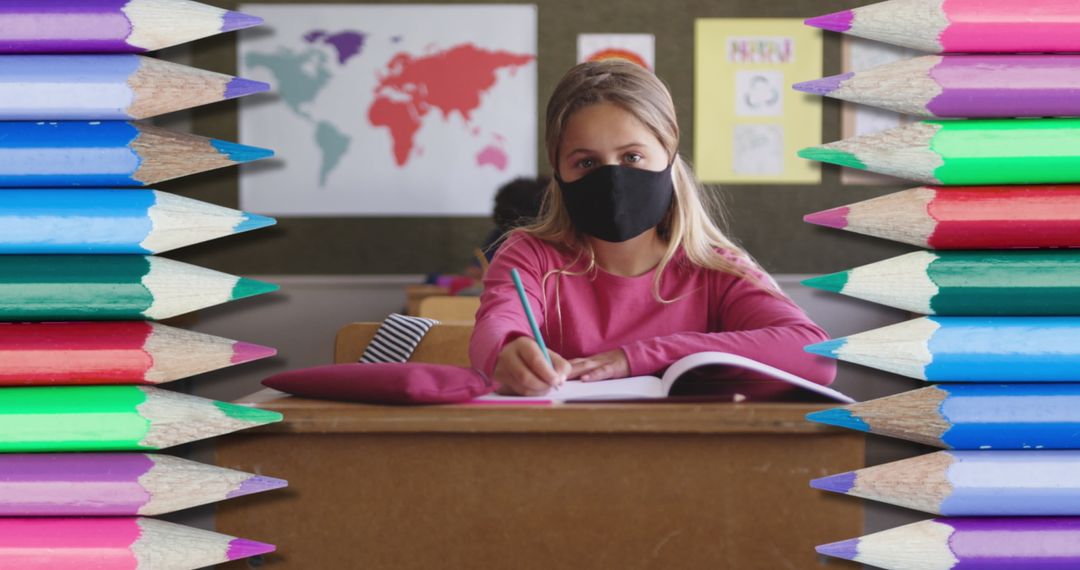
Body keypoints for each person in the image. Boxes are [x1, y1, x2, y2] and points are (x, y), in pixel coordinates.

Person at [468, 60, 835, 396]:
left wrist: (638, 357)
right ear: (558, 170)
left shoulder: (715, 270)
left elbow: (815, 357)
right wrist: (508, 349)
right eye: (587, 162)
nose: (612, 178)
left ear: (669, 152)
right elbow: (495, 327)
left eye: (632, 157)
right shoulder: (530, 256)